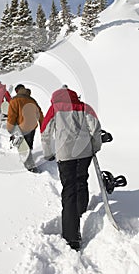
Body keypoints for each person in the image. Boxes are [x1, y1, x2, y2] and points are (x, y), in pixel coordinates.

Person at [40, 85, 102, 251]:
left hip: (65, 154)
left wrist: (47, 154)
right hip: (84, 152)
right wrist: (95, 147)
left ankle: (71, 237)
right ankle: (81, 209)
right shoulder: (84, 107)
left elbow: (45, 131)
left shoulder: (54, 108)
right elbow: (95, 128)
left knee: (69, 190)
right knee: (82, 180)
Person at [7, 85, 44, 173]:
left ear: (17, 91)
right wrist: (42, 126)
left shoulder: (15, 100)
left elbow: (12, 116)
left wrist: (10, 128)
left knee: (23, 147)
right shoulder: (32, 100)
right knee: (29, 144)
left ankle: (31, 167)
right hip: (32, 127)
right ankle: (29, 158)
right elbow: (40, 114)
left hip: (21, 127)